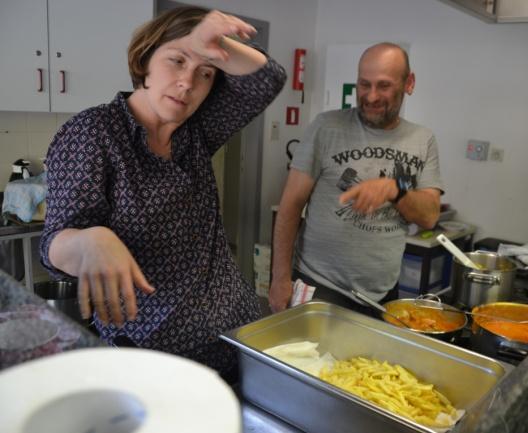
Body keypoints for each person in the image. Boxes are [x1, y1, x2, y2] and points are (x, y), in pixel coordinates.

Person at [39, 6, 286, 378]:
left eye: (204, 73)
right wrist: (90, 240)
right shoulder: (94, 133)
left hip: (238, 336)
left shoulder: (195, 133)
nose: (187, 82)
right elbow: (54, 246)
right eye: (175, 61)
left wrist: (210, 43)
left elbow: (267, 78)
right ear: (145, 61)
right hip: (153, 356)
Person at [269, 42, 442, 314]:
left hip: (383, 293)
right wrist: (279, 279)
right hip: (321, 286)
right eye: (364, 84)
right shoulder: (326, 127)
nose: (371, 96)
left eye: (383, 86)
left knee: (370, 359)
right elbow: (290, 205)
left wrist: (394, 190)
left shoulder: (423, 140)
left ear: (408, 83)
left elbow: (429, 216)